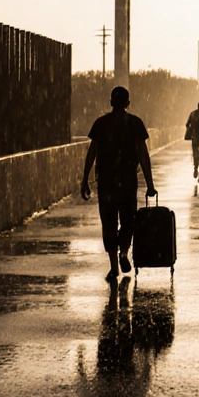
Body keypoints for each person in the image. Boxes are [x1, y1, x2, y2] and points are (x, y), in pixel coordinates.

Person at [81, 86, 157, 281]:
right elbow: (143, 155)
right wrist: (150, 183)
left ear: (111, 103)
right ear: (127, 103)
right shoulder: (135, 123)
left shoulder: (101, 123)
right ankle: (124, 253)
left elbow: (92, 152)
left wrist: (84, 180)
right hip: (128, 182)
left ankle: (114, 265)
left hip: (106, 183)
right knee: (128, 221)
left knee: (108, 223)